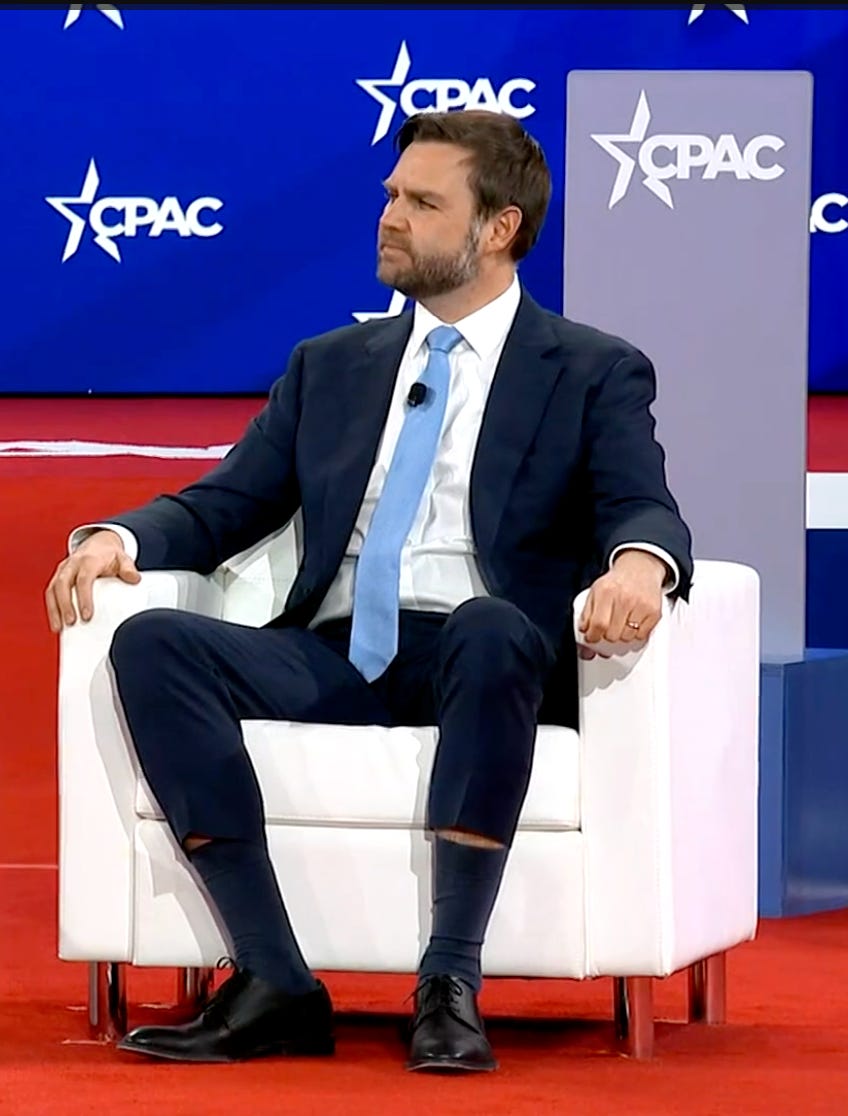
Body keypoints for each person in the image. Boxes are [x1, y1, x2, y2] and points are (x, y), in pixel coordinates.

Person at [45, 109, 692, 1072]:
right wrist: (119, 535)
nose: (390, 217)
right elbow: (226, 504)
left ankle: (449, 982)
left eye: (423, 203)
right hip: (339, 651)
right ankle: (272, 980)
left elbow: (643, 506)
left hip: (483, 657)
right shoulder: (329, 367)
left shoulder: (591, 369)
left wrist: (641, 565)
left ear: (499, 228)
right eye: (392, 196)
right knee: (154, 645)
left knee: (489, 629)